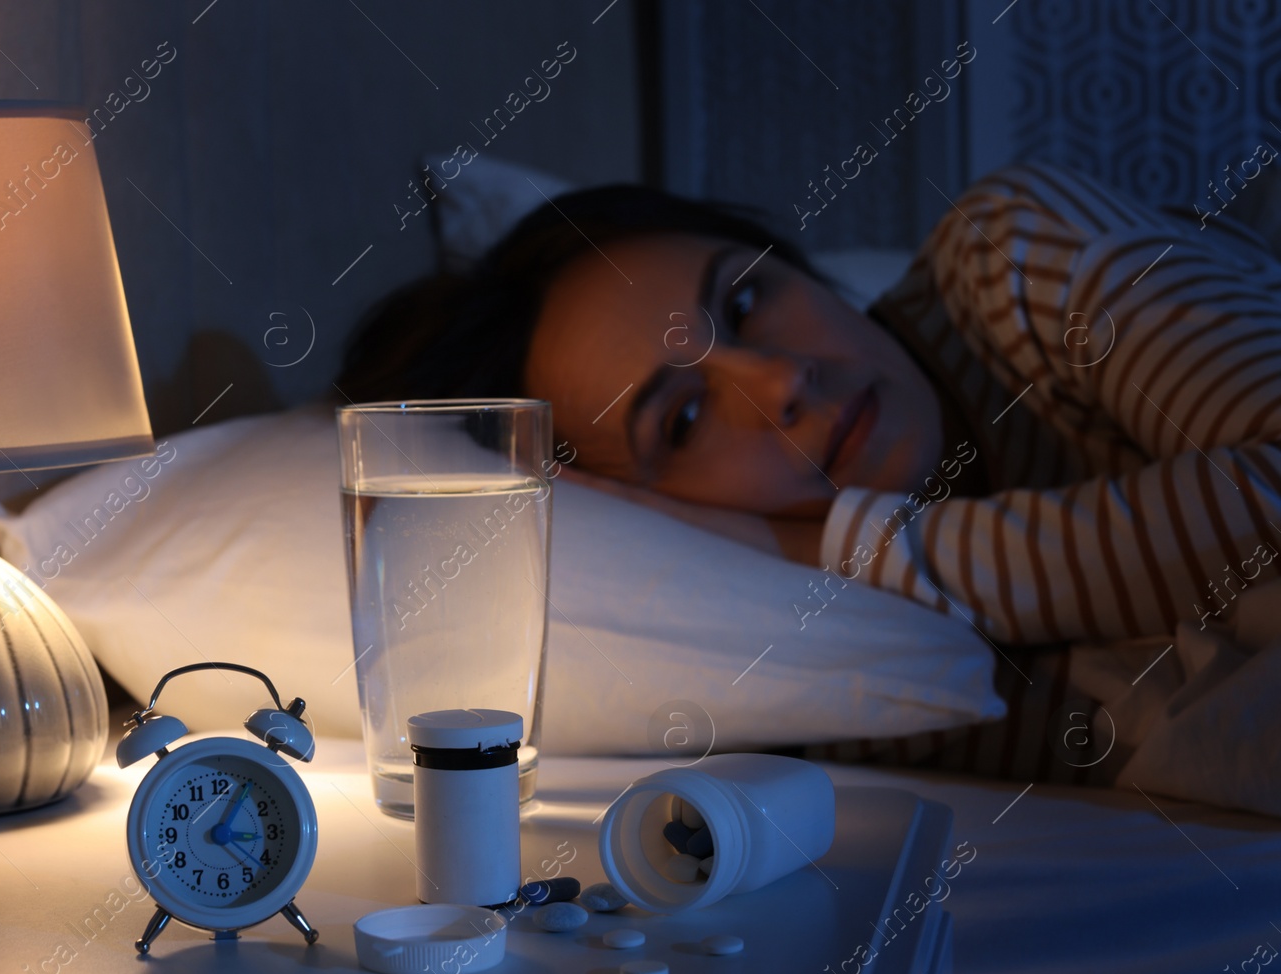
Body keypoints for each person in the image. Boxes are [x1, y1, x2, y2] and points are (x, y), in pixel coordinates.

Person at [336, 163, 1281, 782]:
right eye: (690, 415)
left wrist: (838, 541)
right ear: (651, 511)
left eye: (748, 300)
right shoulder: (823, 675)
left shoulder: (1020, 254)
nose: (785, 381)